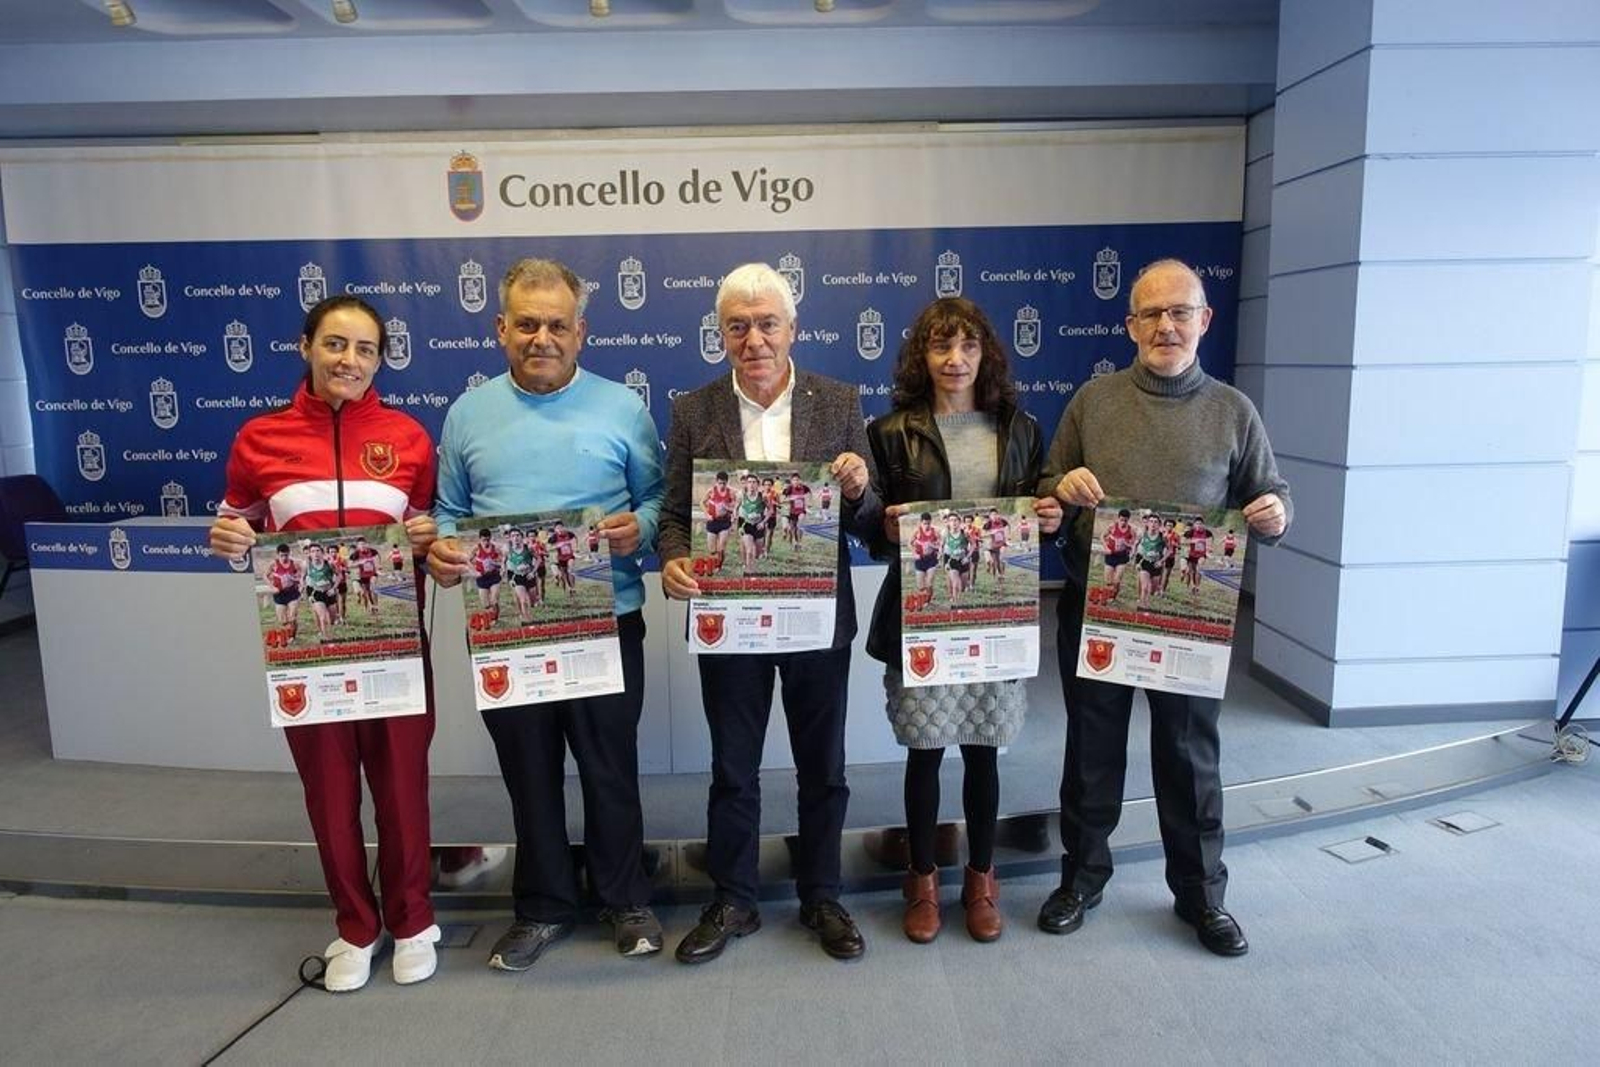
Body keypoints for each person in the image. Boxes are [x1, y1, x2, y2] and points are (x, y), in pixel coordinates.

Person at [1037, 258, 1292, 957]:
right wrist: (1063, 487)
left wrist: (1275, 512)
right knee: (1092, 753)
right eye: (1150, 313)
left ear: (1204, 320)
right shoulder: (1092, 401)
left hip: (1189, 618)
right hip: (1098, 609)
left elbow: (1271, 494)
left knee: (1189, 757)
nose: (1166, 325)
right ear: (1130, 325)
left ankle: (1202, 894)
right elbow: (1045, 488)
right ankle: (1081, 878)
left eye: (1180, 311)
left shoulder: (1234, 411)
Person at [428, 257, 666, 968]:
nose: (542, 337)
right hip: (507, 627)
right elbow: (448, 512)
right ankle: (541, 906)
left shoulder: (623, 406)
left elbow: (657, 499)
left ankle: (625, 897)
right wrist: (443, 548)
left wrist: (643, 529)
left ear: (580, 331)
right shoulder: (467, 413)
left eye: (556, 324)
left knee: (609, 768)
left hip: (605, 620)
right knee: (528, 771)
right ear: (501, 328)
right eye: (526, 323)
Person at [209, 295, 441, 992]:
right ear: (305, 346)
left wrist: (431, 543)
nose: (350, 360)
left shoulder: (409, 438)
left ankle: (413, 918)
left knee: (403, 788)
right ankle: (354, 925)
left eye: (365, 349)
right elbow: (236, 525)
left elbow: (428, 533)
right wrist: (225, 540)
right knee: (329, 792)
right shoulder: (259, 439)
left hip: (394, 641)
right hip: (307, 648)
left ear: (381, 359)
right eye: (336, 344)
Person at [659, 262, 882, 964]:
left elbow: (870, 521)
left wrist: (857, 487)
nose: (753, 339)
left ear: (793, 328)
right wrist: (671, 560)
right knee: (734, 768)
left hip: (818, 617)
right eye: (737, 325)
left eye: (767, 323)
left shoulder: (839, 399)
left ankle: (823, 894)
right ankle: (734, 898)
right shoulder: (693, 410)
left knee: (825, 766)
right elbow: (673, 517)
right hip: (732, 620)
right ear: (720, 333)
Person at [864, 296, 1061, 944]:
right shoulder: (892, 431)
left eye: (968, 346)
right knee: (924, 753)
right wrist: (885, 524)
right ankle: (921, 881)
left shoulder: (1020, 427)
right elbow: (869, 530)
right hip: (921, 618)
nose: (955, 359)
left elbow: (1037, 517)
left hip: (992, 614)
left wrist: (1051, 516)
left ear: (986, 354)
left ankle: (981, 878)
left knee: (983, 752)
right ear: (922, 356)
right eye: (941, 346)